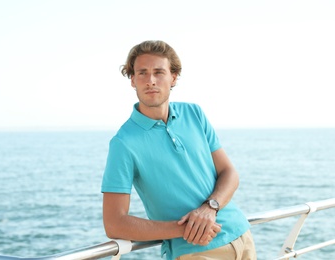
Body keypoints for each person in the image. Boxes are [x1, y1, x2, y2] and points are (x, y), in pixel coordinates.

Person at [101, 40, 256, 260]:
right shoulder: (123, 143)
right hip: (194, 251)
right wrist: (186, 228)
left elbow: (229, 173)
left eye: (159, 72)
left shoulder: (195, 113)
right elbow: (114, 223)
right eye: (142, 73)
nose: (151, 81)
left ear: (173, 77)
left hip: (242, 235)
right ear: (133, 80)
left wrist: (209, 208)